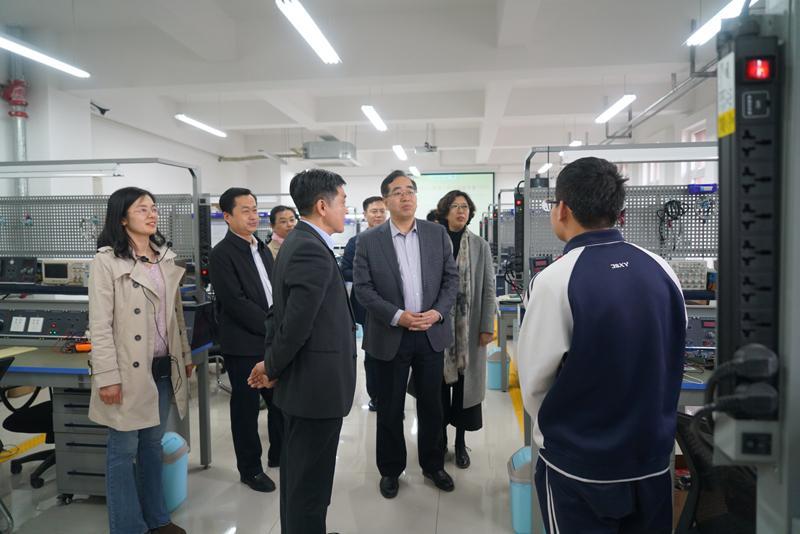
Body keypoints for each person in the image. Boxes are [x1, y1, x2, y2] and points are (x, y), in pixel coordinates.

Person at [517, 157, 686, 534]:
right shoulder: (661, 269)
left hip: (580, 469)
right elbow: (674, 348)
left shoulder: (554, 281)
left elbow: (535, 383)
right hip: (651, 460)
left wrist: (561, 438)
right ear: (617, 209)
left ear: (562, 209)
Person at [248, 169, 356, 534]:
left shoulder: (300, 242)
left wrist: (271, 362)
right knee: (308, 485)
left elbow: (279, 313)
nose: (346, 209)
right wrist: (272, 366)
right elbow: (295, 324)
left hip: (308, 385)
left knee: (305, 479)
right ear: (323, 206)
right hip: (315, 389)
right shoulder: (310, 248)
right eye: (343, 201)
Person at [88, 187, 193, 534]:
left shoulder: (164, 258)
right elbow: (100, 325)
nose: (152, 214)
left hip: (162, 367)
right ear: (122, 218)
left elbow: (175, 316)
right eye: (141, 209)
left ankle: (157, 519)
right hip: (127, 371)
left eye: (153, 208)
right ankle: (128, 527)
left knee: (151, 446)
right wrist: (107, 376)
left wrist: (184, 356)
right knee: (123, 450)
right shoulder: (106, 261)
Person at [353, 170, 458, 499]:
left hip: (429, 333)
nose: (405, 196)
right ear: (385, 200)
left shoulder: (436, 234)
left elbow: (451, 280)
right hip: (390, 335)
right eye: (397, 191)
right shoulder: (369, 240)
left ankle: (433, 464)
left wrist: (437, 312)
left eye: (410, 190)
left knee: (432, 406)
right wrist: (398, 316)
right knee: (390, 407)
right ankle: (390, 470)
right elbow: (363, 289)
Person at [209, 187, 282, 493]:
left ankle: (280, 455)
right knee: (246, 409)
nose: (253, 216)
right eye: (245, 210)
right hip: (244, 344)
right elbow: (236, 302)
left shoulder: (262, 248)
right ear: (227, 216)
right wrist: (273, 327)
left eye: (255, 209)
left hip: (273, 340)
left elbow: (275, 290)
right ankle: (250, 470)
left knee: (280, 402)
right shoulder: (221, 254)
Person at [434, 190, 496, 469]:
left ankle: (460, 443)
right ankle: (438, 442)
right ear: (445, 211)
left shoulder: (480, 245)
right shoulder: (434, 241)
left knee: (463, 390)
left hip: (469, 329)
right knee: (437, 390)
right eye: (455, 206)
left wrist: (486, 326)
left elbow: (489, 287)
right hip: (437, 327)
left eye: (465, 207)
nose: (461, 211)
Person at [340, 195, 387, 412]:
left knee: (396, 354)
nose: (378, 215)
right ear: (365, 214)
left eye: (381, 211)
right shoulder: (355, 242)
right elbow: (346, 270)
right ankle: (376, 396)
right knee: (373, 353)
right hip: (368, 306)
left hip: (395, 304)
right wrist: (371, 276)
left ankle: (392, 396)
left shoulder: (394, 238)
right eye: (373, 211)